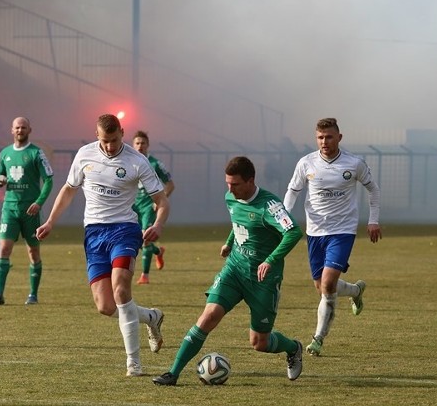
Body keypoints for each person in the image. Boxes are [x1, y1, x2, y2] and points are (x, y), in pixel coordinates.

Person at [35, 114, 169, 377]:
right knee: (106, 307)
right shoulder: (84, 155)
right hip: (94, 233)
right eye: (105, 141)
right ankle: (151, 317)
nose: (110, 146)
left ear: (123, 132)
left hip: (124, 230)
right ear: (97, 135)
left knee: (121, 290)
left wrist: (158, 225)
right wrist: (50, 221)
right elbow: (69, 190)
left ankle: (134, 363)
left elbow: (162, 201)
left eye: (115, 140)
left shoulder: (137, 161)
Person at [153, 156, 304, 386]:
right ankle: (172, 373)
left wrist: (270, 260)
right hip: (234, 269)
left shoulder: (269, 206)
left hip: (263, 280)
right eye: (227, 184)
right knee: (208, 316)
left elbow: (293, 232)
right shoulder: (230, 198)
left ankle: (293, 348)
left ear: (251, 181)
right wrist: (229, 242)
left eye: (235, 184)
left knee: (259, 343)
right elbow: (238, 221)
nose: (230, 190)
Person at [283, 117, 382, 357]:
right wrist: (283, 221)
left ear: (339, 137)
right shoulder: (306, 163)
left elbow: (373, 189)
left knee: (327, 284)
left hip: (343, 231)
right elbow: (292, 192)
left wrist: (373, 220)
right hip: (315, 233)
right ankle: (356, 291)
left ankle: (317, 339)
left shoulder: (354, 163)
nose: (324, 141)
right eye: (320, 137)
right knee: (322, 287)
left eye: (328, 137)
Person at [0, 117, 54, 306]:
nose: (20, 130)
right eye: (17, 127)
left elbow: (49, 180)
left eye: (23, 127)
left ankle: (33, 294)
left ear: (29, 130)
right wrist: (0, 180)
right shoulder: (5, 153)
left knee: (33, 252)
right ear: (12, 130)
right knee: (5, 249)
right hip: (10, 209)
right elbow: (0, 175)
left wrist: (39, 202)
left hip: (30, 211)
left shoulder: (36, 153)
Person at [131, 130, 175, 284]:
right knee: (135, 239)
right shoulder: (128, 162)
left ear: (148, 145)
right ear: (133, 145)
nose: (140, 146)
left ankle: (145, 275)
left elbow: (170, 185)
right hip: (132, 206)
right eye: (137, 143)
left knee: (145, 239)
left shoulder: (155, 164)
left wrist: (160, 201)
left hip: (148, 207)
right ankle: (158, 251)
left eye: (143, 143)